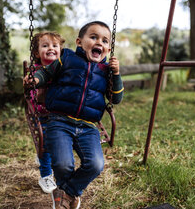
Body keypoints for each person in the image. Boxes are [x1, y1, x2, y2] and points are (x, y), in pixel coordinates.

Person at [24, 21, 124, 209]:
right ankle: (66, 196)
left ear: (108, 48)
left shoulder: (107, 71)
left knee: (95, 164)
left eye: (104, 40)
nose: (99, 43)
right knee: (62, 164)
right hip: (59, 122)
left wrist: (116, 74)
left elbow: (116, 98)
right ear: (79, 42)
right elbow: (46, 73)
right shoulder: (66, 58)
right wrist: (35, 80)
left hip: (88, 126)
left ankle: (68, 193)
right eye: (93, 37)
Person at [29, 31, 65, 194]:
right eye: (45, 46)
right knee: (46, 145)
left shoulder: (63, 70)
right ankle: (45, 175)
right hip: (43, 114)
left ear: (60, 50)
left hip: (61, 114)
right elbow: (30, 96)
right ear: (37, 53)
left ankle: (45, 158)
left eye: (55, 45)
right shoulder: (34, 71)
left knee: (61, 144)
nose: (51, 48)